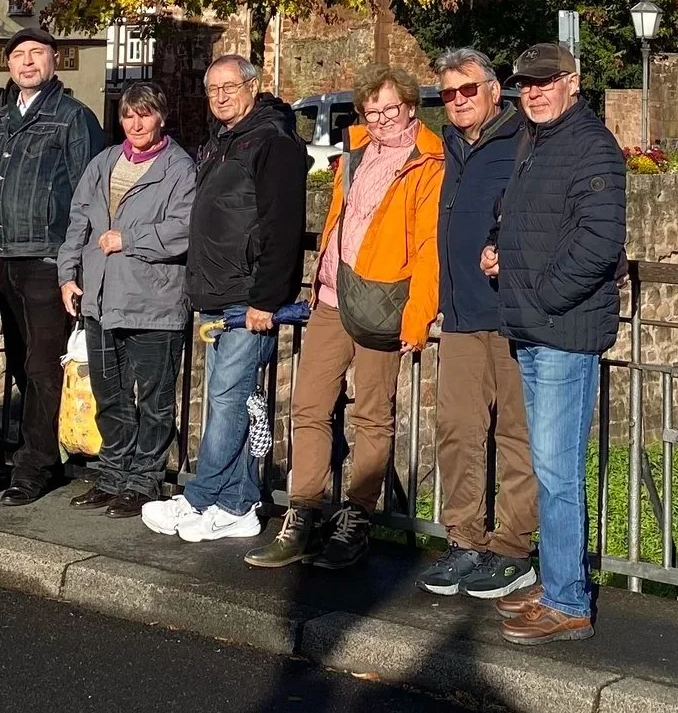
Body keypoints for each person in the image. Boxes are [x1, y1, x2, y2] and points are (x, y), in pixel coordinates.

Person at [246, 68, 442, 573]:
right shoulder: (354, 154)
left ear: (410, 108)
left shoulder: (429, 163)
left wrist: (417, 318)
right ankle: (304, 513)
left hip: (384, 303)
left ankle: (356, 518)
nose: (379, 120)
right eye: (371, 111)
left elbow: (428, 249)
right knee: (309, 405)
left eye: (389, 109)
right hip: (333, 298)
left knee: (372, 416)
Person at [488, 42, 626, 645]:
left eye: (545, 83)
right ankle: (557, 583)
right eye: (525, 85)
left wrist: (539, 294)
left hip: (562, 329)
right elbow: (523, 219)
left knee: (558, 468)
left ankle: (569, 601)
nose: (533, 93)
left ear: (573, 82)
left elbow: (599, 243)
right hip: (536, 324)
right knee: (549, 467)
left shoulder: (591, 146)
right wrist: (501, 253)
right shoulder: (536, 141)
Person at [142, 55, 308, 544]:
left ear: (253, 87)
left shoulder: (272, 142)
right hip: (219, 292)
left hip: (246, 296)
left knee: (228, 398)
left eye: (229, 87)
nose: (219, 96)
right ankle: (238, 504)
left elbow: (282, 227)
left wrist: (266, 298)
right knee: (230, 402)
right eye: (212, 88)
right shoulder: (224, 140)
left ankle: (202, 496)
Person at [415, 48, 538, 600]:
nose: (459, 101)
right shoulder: (448, 147)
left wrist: (508, 248)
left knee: (516, 433)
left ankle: (513, 548)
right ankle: (465, 540)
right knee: (459, 429)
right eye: (448, 93)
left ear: (494, 90)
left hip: (511, 312)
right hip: (461, 312)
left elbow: (540, 210)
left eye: (469, 90)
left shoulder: (522, 139)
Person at [0, 25, 104, 504]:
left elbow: (90, 197)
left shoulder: (73, 118)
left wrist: (74, 266)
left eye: (37, 54)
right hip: (7, 259)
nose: (27, 62)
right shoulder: (3, 118)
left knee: (44, 365)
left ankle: (34, 467)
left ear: (54, 61)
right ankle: (36, 451)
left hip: (49, 260)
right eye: (19, 55)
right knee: (24, 365)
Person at [57, 83, 196, 519]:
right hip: (99, 298)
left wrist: (129, 239)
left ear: (161, 118)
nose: (136, 124)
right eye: (129, 116)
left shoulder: (179, 168)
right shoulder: (104, 162)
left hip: (154, 302)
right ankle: (112, 474)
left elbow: (184, 229)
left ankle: (144, 480)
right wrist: (67, 274)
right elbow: (78, 220)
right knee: (109, 395)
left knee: (154, 400)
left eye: (145, 115)